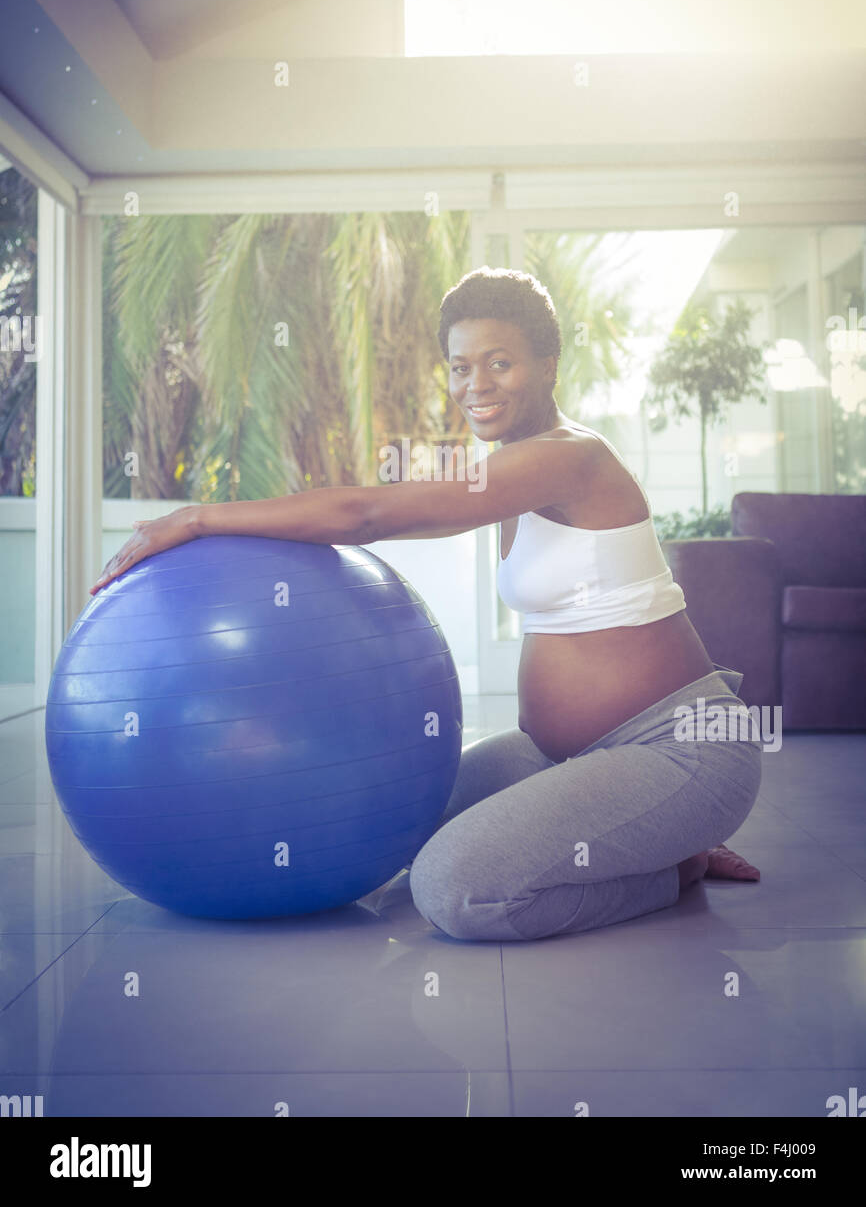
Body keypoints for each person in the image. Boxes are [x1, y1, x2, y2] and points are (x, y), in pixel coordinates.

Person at [91, 267, 761, 942]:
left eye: (500, 363)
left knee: (454, 889)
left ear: (547, 364)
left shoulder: (570, 458)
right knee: (391, 826)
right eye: (461, 366)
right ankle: (645, 838)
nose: (477, 384)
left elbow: (369, 513)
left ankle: (679, 864)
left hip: (681, 752)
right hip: (562, 756)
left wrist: (200, 519)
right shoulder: (514, 470)